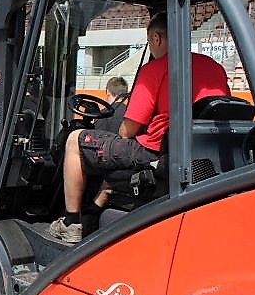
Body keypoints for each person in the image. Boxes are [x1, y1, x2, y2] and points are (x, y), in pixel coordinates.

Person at [49, 12, 231, 244]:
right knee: (118, 152)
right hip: (196, 151)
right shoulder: (214, 68)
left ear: (156, 38)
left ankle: (70, 222)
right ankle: (95, 209)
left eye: (149, 43)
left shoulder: (156, 69)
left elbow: (128, 130)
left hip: (156, 152)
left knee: (76, 140)